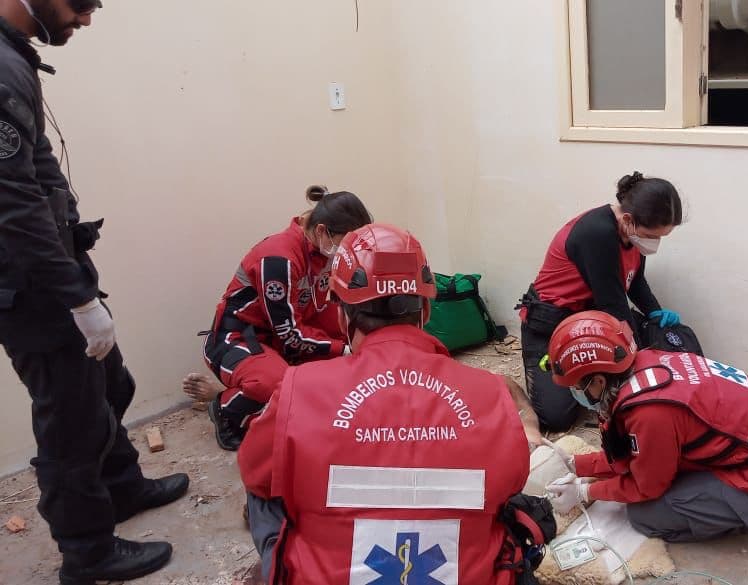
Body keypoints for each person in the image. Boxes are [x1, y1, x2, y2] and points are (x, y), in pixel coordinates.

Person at [238, 223, 546, 583]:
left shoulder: (298, 391)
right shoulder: (491, 394)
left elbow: (255, 473)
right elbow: (512, 482)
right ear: (426, 313)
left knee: (266, 479)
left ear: (341, 317)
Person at [0, 1, 189, 582]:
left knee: (110, 383)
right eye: (79, 4)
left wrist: (76, 243)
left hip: (56, 269)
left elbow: (38, 165)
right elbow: (11, 204)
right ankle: (87, 552)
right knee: (70, 420)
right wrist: (76, 298)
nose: (84, 19)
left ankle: (122, 488)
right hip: (32, 289)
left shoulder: (16, 59)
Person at [543, 311, 748, 543]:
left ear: (599, 381)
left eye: (577, 386)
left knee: (645, 515)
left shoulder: (649, 412)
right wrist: (575, 464)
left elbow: (647, 486)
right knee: (671, 464)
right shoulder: (649, 361)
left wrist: (586, 491)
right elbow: (630, 457)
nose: (575, 393)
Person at [184, 185, 372, 451]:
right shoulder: (278, 259)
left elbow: (328, 306)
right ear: (321, 231)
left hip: (283, 335)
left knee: (359, 330)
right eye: (346, 242)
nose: (349, 250)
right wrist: (344, 349)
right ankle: (224, 408)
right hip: (238, 339)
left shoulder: (321, 250)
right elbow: (290, 333)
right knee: (281, 387)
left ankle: (282, 384)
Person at [517, 171, 689, 432]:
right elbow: (614, 305)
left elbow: (635, 281)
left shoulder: (631, 233)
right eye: (652, 235)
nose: (655, 243)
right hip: (552, 325)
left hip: (591, 319)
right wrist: (641, 363)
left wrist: (655, 312)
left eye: (661, 237)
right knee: (556, 417)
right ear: (629, 219)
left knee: (652, 353)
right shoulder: (596, 234)